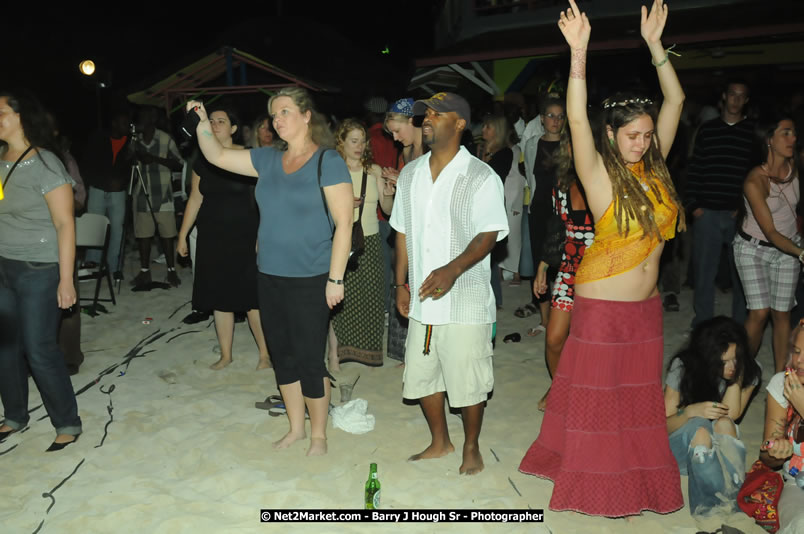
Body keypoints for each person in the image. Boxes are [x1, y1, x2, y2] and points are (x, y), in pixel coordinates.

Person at [519, 0, 687, 516]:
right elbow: (574, 114)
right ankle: (591, 487)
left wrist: (657, 46)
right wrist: (578, 55)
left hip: (644, 312)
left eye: (647, 134)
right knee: (598, 404)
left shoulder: (656, 173)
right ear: (612, 135)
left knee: (636, 406)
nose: (642, 142)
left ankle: (634, 481)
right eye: (632, 135)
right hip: (602, 310)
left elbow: (675, 98)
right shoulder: (599, 176)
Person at [186, 87, 353, 457]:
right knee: (282, 353)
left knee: (310, 356)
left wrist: (336, 278)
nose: (277, 120)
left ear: (307, 116)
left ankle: (319, 435)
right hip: (269, 274)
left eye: (285, 112)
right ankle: (295, 428)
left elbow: (344, 223)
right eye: (273, 115)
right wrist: (201, 123)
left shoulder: (328, 161)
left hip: (312, 275)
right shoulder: (266, 159)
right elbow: (215, 154)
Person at [390, 91, 509, 475]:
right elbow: (402, 233)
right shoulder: (411, 173)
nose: (427, 119)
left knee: (467, 376)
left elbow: (488, 235)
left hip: (465, 297)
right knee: (422, 373)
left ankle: (471, 445)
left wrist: (452, 270)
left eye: (437, 114)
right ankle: (440, 441)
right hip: (423, 296)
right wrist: (401, 284)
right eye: (426, 114)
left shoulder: (480, 176)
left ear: (459, 123)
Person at [0, 89, 82, 451]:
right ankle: (15, 415)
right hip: (3, 266)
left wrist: (66, 280)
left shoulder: (46, 163)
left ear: (20, 116)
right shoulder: (0, 159)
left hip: (39, 267)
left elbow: (66, 224)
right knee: (6, 346)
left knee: (39, 347)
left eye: (0, 111)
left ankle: (67, 421)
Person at [177, 103, 271, 371]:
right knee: (220, 297)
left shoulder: (249, 157)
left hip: (246, 234)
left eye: (221, 120)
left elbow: (264, 200)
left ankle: (264, 354)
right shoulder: (201, 161)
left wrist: (262, 234)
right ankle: (226, 354)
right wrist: (183, 235)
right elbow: (195, 199)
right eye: (212, 120)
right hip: (212, 236)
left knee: (251, 298)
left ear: (232, 128)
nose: (215, 124)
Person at [663, 316, 761, 516]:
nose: (731, 367)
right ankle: (708, 507)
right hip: (684, 447)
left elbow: (732, 413)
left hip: (718, 446)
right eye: (723, 362)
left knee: (724, 422)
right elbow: (663, 426)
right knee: (699, 425)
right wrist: (690, 411)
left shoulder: (748, 370)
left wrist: (737, 378)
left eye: (736, 358)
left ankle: (734, 495)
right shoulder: (683, 367)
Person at [532, 128, 594, 410]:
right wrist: (543, 267)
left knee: (590, 341)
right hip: (569, 266)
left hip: (600, 270)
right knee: (555, 337)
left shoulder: (603, 182)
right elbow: (557, 227)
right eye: (573, 145)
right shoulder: (561, 183)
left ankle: (582, 395)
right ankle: (561, 387)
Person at [686, 81, 755, 328]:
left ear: (746, 100)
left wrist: (745, 207)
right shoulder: (708, 130)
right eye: (732, 95)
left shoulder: (751, 132)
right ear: (724, 97)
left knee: (742, 276)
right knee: (705, 273)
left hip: (738, 214)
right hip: (707, 212)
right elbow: (695, 167)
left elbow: (754, 174)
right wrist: (693, 205)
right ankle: (703, 323)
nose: (736, 100)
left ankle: (740, 324)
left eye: (741, 96)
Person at [734, 113, 800, 372]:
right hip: (753, 249)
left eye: (794, 132)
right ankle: (741, 372)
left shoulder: (795, 166)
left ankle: (781, 379)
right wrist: (802, 253)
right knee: (760, 313)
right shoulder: (755, 181)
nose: (793, 138)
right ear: (769, 139)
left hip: (788, 250)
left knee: (782, 314)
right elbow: (771, 232)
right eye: (785, 132)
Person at [328, 119, 394, 369]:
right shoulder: (334, 171)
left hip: (371, 242)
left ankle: (367, 351)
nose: (359, 146)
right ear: (341, 143)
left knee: (372, 299)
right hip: (341, 241)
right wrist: (343, 205)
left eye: (362, 141)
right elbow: (322, 208)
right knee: (338, 301)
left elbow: (386, 210)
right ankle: (334, 355)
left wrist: (388, 193)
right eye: (353, 141)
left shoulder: (374, 170)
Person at [518, 97, 569, 335]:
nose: (555, 121)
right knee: (541, 262)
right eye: (551, 115)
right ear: (541, 118)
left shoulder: (572, 144)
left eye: (560, 116)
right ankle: (545, 320)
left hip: (565, 211)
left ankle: (565, 318)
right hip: (539, 209)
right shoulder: (531, 144)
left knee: (565, 265)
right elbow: (529, 175)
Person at [130, 107, 184, 289]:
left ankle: (171, 270)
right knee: (143, 235)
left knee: (167, 235)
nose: (143, 120)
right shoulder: (135, 140)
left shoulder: (165, 138)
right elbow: (126, 162)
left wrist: (153, 158)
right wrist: (132, 151)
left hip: (163, 193)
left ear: (153, 119)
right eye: (142, 117)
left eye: (147, 116)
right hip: (141, 193)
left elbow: (178, 164)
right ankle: (145, 271)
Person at [760, 319, 804, 533]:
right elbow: (767, 459)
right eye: (796, 351)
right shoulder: (782, 383)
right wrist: (775, 449)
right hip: (798, 485)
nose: (800, 361)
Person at [81, 108, 135, 281]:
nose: (127, 127)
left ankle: (115, 266)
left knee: (117, 230)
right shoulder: (98, 138)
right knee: (96, 226)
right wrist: (103, 182)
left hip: (118, 192)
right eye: (124, 123)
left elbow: (131, 170)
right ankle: (93, 264)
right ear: (114, 124)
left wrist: (122, 182)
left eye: (128, 123)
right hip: (98, 189)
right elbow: (87, 165)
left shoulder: (130, 143)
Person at [481, 114, 525, 286]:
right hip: (488, 201)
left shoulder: (506, 152)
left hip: (501, 201)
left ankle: (510, 277)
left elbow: (498, 177)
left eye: (488, 127)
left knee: (502, 243)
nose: (483, 130)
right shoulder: (484, 149)